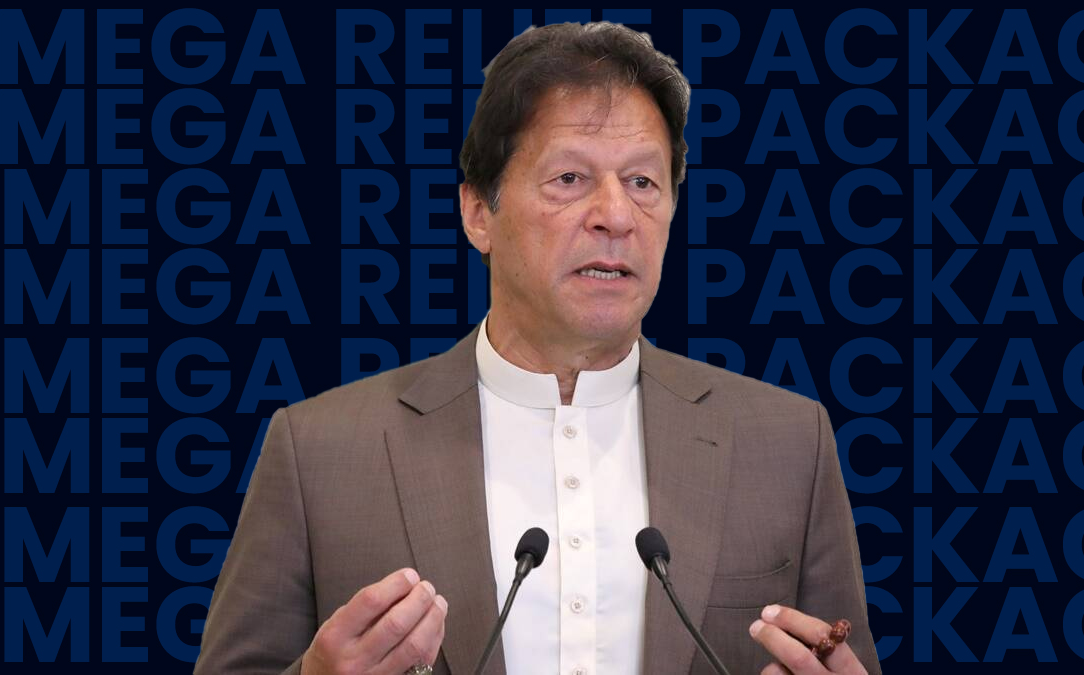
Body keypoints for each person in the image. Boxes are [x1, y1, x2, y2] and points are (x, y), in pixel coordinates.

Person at [196, 22, 881, 675]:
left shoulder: (787, 444)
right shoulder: (319, 451)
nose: (616, 215)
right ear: (478, 213)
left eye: (643, 182)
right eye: (570, 179)